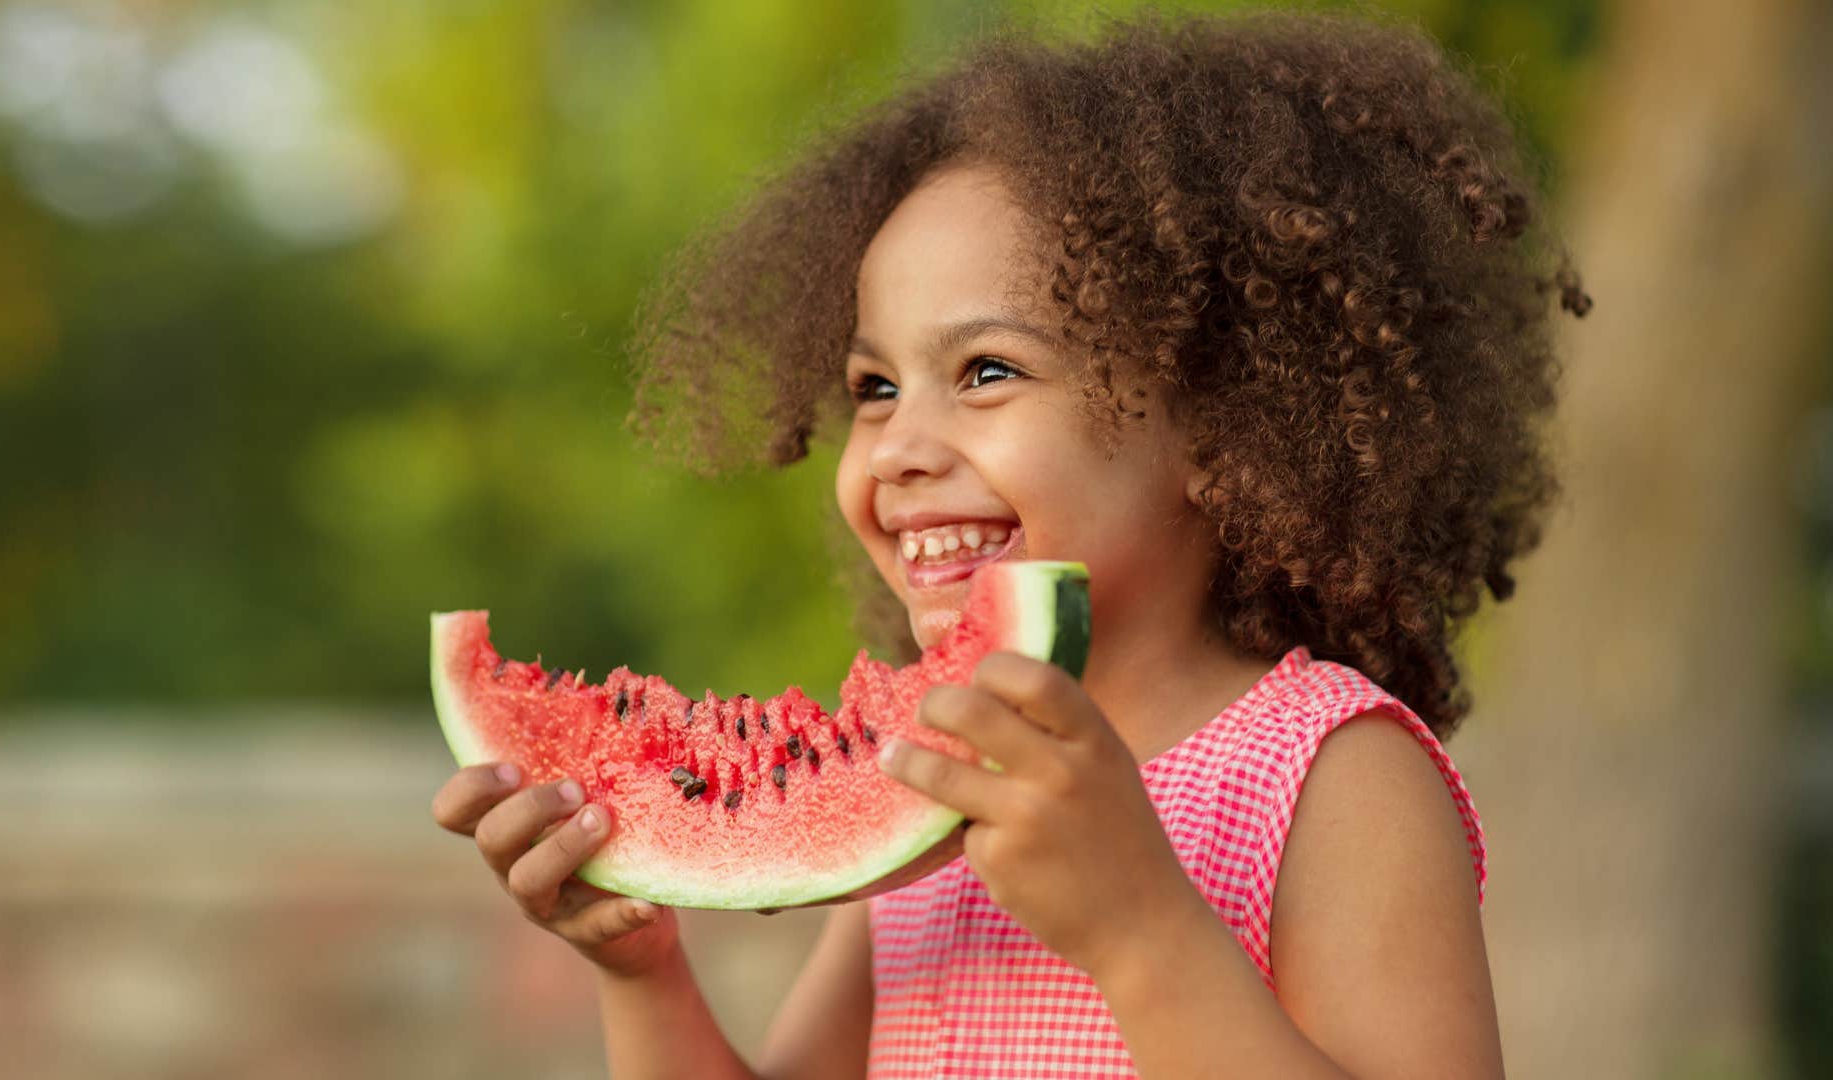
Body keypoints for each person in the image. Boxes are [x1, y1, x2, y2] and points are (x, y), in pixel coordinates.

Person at [431, 8, 1590, 1077]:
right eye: (874, 386)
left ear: (1221, 428)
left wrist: (1140, 930)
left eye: (987, 371)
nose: (898, 446)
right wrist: (643, 975)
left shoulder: (1329, 771)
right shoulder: (926, 776)